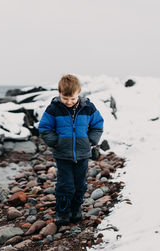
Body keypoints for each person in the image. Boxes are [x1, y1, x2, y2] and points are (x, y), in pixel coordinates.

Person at [38, 74, 104, 226]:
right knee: (65, 184)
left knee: (80, 184)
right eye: (65, 98)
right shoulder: (54, 108)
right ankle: (62, 212)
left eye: (72, 99)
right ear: (59, 92)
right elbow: (44, 127)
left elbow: (98, 124)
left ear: (79, 92)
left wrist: (91, 140)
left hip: (82, 153)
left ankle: (76, 209)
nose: (68, 102)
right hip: (63, 154)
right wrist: (55, 142)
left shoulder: (88, 108)